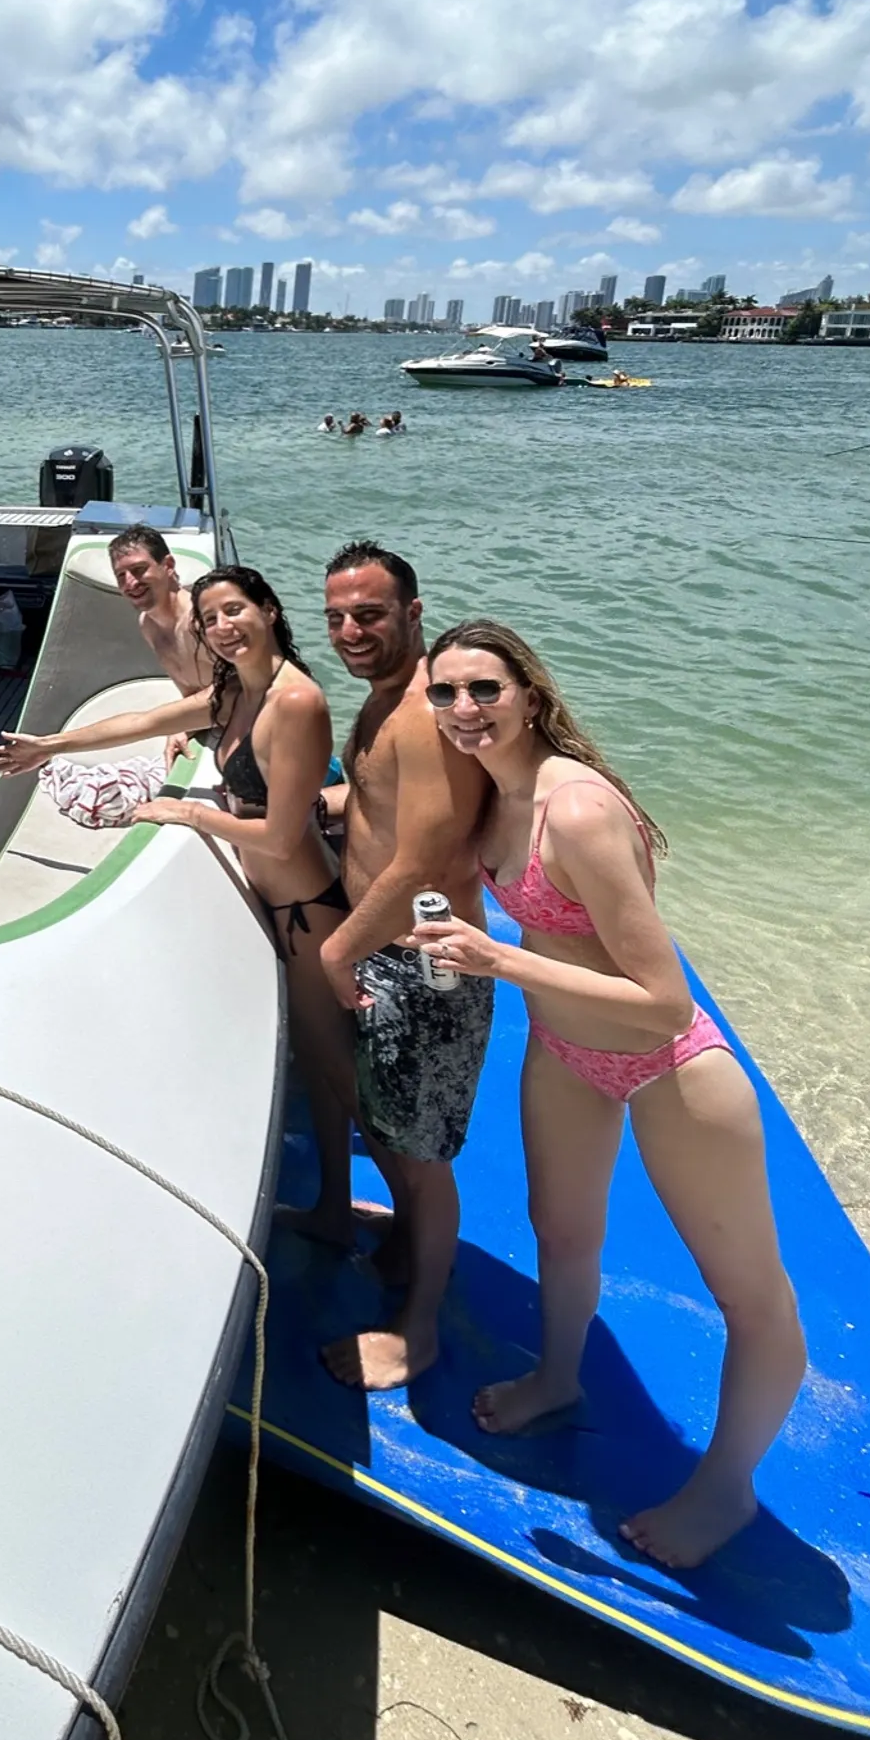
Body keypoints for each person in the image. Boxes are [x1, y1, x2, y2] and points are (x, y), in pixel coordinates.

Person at [409, 621, 805, 1568]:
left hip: (669, 1067)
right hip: (564, 1049)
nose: (464, 709)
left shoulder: (575, 812)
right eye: (445, 693)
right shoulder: (495, 799)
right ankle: (558, 1377)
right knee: (562, 1228)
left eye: (485, 690)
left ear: (530, 695)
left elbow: (666, 1003)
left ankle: (727, 1490)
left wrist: (497, 958)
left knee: (750, 1299)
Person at [0, 563, 345, 1007]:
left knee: (327, 1063)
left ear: (269, 610)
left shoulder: (293, 700)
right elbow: (146, 722)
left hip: (305, 907)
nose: (222, 627)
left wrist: (189, 812)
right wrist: (51, 745)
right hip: (273, 897)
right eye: (210, 620)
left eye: (234, 610)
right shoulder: (238, 692)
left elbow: (280, 838)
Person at [316, 541, 492, 1392]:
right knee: (391, 1127)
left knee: (422, 1156)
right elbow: (386, 800)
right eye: (338, 617)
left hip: (424, 966)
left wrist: (339, 946)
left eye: (371, 614)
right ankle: (404, 1250)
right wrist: (324, 803)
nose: (351, 631)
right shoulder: (385, 702)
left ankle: (418, 1329)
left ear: (413, 615)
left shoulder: (422, 711)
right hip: (391, 954)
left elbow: (426, 855)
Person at [106, 524, 215, 692]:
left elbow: (241, 691)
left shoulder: (200, 622)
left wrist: (148, 719)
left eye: (139, 569)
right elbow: (189, 695)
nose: (130, 583)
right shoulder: (148, 625)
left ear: (169, 566)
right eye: (121, 575)